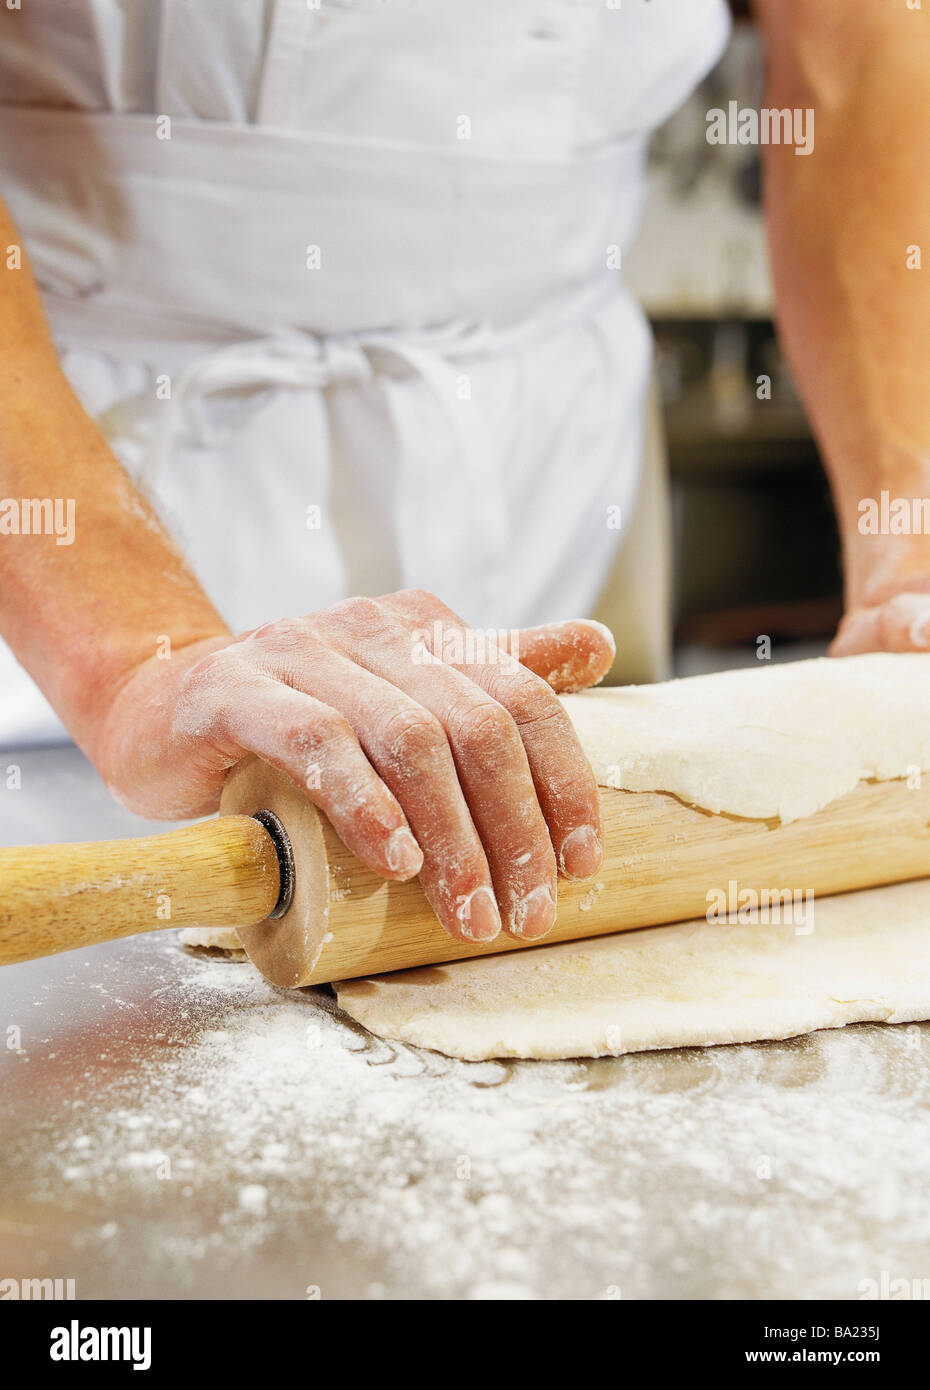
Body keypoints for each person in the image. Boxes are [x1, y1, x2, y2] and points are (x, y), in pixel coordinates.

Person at [0, 1, 927, 947]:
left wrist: (910, 542)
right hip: (74, 486)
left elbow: (857, 49)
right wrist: (125, 669)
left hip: (552, 452)